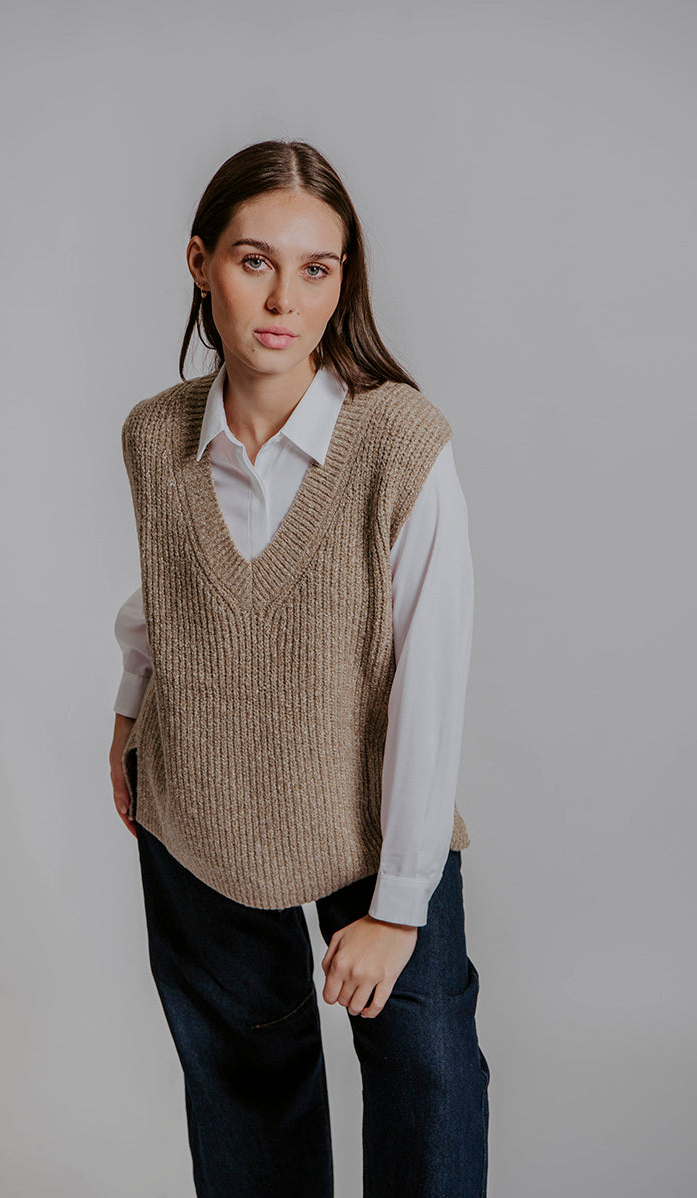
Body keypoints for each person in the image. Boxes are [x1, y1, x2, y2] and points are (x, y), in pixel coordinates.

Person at [109, 138, 490, 1198]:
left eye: (316, 268)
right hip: (200, 814)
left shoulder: (397, 441)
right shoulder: (153, 435)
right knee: (243, 1098)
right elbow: (164, 585)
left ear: (343, 283)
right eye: (252, 260)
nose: (284, 297)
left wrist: (401, 902)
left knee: (427, 1083)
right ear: (198, 263)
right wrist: (128, 708)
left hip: (371, 823)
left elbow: (431, 673)